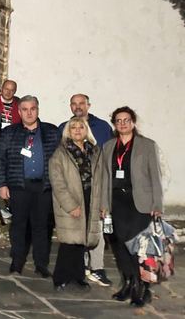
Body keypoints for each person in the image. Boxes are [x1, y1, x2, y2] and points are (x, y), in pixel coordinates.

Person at [102, 106, 163, 307]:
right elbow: (104, 178)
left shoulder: (147, 145)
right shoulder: (109, 146)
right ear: (114, 124)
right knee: (120, 246)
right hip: (117, 203)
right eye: (118, 120)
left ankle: (142, 288)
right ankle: (128, 282)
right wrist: (104, 205)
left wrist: (157, 204)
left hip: (140, 204)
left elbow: (155, 176)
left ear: (133, 122)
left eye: (126, 120)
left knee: (139, 248)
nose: (122, 124)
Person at [0, 95, 59, 277]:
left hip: (44, 187)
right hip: (19, 187)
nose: (29, 113)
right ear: (19, 112)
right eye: (25, 109)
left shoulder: (51, 132)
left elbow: (61, 160)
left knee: (41, 227)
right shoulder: (9, 133)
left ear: (38, 110)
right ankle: (16, 263)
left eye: (33, 109)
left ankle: (41, 264)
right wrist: (1, 184)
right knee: (18, 226)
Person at [57, 93, 113, 286]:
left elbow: (107, 161)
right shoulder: (63, 129)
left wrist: (105, 199)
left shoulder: (103, 128)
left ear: (88, 105)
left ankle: (97, 269)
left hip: (94, 192)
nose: (78, 106)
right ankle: (80, 269)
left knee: (96, 232)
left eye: (81, 103)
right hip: (74, 193)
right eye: (74, 104)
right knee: (75, 234)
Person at [49, 117, 107, 291]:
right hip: (71, 200)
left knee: (82, 241)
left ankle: (78, 276)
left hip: (91, 199)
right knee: (69, 242)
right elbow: (57, 183)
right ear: (68, 131)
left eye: (81, 127)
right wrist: (71, 205)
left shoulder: (95, 151)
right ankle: (60, 277)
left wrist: (103, 204)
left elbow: (103, 179)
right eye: (73, 127)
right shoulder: (60, 153)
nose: (77, 130)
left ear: (86, 130)